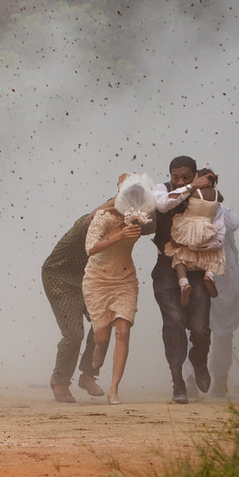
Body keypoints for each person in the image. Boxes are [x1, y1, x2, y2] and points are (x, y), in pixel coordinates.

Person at [151, 156, 224, 404]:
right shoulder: (163, 190)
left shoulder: (207, 195)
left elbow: (219, 228)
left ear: (195, 175)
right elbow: (161, 206)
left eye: (185, 177)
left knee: (201, 328)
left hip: (197, 269)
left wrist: (201, 246)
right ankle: (177, 382)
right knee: (173, 323)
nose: (178, 181)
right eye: (175, 176)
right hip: (166, 269)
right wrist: (189, 187)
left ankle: (199, 359)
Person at [82, 173, 155, 405]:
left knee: (123, 331)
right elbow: (91, 248)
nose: (134, 201)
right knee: (101, 336)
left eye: (138, 196)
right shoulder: (104, 217)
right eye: (129, 196)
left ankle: (114, 389)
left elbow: (167, 206)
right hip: (97, 280)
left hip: (125, 279)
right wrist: (120, 235)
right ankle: (95, 359)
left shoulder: (141, 217)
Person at [43, 195, 120, 402]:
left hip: (89, 276)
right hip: (59, 277)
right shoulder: (88, 222)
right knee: (74, 334)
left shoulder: (123, 225)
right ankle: (59, 381)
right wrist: (116, 201)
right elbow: (89, 220)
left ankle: (88, 374)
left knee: (103, 323)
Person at [185, 205, 239, 398]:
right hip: (195, 277)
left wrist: (213, 203)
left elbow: (234, 223)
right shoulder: (186, 209)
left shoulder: (221, 211)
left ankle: (221, 379)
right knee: (193, 331)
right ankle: (190, 378)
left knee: (223, 335)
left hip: (224, 282)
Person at [163, 168, 225, 308]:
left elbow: (183, 203)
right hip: (206, 227)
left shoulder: (194, 192)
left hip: (189, 226)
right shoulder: (216, 194)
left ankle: (184, 283)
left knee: (178, 253)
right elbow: (220, 200)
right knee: (213, 254)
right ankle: (209, 275)